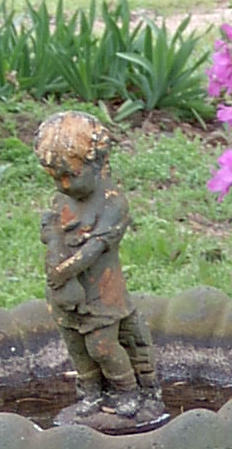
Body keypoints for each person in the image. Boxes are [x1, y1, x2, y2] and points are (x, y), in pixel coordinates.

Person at [34, 111, 162, 423]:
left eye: (71, 175)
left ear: (99, 163)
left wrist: (64, 270)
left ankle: (127, 389)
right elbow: (53, 232)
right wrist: (51, 237)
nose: (63, 185)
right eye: (56, 178)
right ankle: (90, 390)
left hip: (102, 290)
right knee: (77, 347)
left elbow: (95, 248)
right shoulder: (61, 200)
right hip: (66, 294)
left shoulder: (112, 203)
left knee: (103, 346)